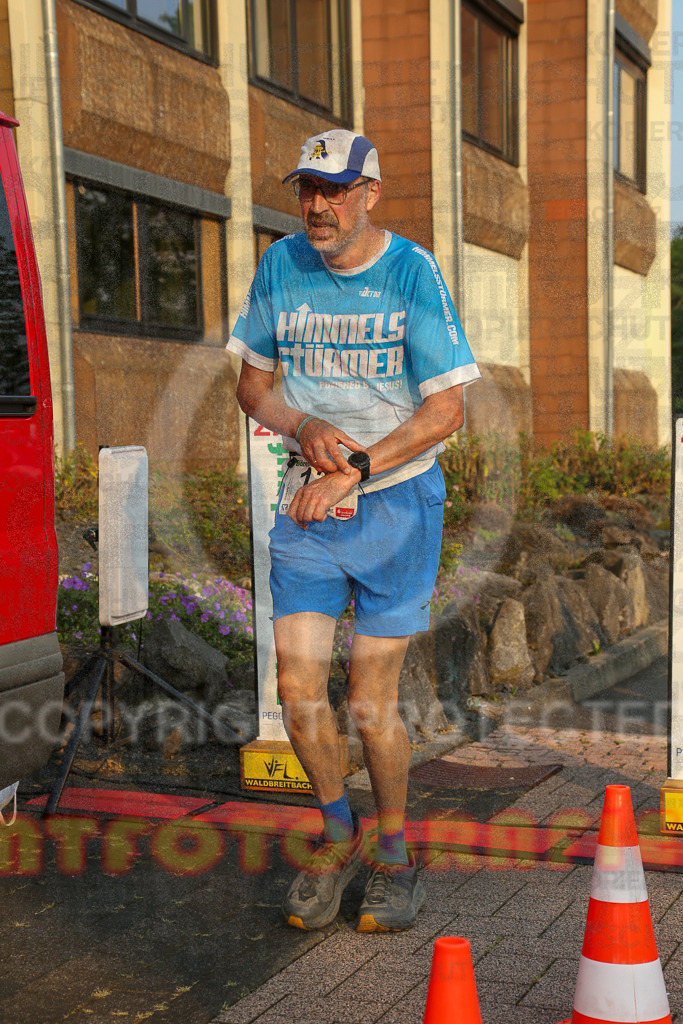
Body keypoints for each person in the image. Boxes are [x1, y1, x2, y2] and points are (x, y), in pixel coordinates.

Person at [227, 129, 480, 933]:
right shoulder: (282, 264)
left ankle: (396, 855)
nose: (317, 204)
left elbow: (446, 409)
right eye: (307, 187)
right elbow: (252, 386)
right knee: (297, 690)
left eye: (334, 189)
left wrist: (359, 466)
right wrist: (302, 428)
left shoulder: (410, 270)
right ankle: (338, 834)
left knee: (370, 700)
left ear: (371, 192)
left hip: (396, 507)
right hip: (307, 506)